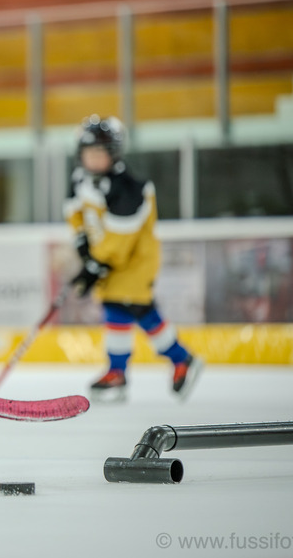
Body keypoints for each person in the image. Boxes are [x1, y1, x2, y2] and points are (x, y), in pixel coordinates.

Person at [63, 115, 202, 402]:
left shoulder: (130, 188)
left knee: (138, 309)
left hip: (136, 262)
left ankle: (181, 358)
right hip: (111, 260)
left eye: (100, 153)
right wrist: (82, 247)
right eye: (89, 153)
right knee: (115, 310)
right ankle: (118, 372)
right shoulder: (81, 179)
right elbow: (75, 213)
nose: (93, 159)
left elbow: (119, 243)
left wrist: (93, 265)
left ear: (113, 154)